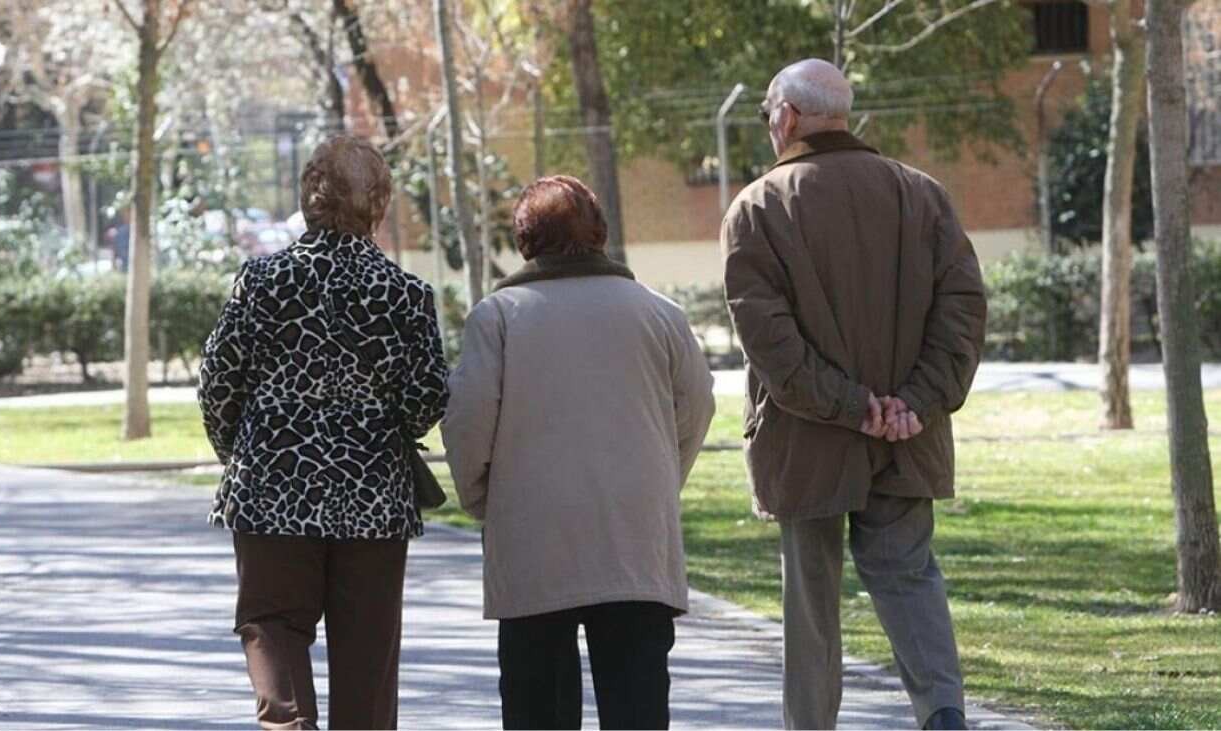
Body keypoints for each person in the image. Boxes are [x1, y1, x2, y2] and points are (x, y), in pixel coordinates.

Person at [721, 59, 987, 731]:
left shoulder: (757, 207)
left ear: (785, 116)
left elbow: (770, 340)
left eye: (766, 116)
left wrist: (850, 405)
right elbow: (962, 309)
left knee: (811, 600)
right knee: (908, 576)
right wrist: (913, 403)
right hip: (906, 432)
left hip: (807, 437)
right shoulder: (920, 193)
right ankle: (943, 713)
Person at [443, 175, 716, 730]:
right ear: (601, 234)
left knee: (537, 706)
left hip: (531, 534)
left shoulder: (497, 317)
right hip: (634, 535)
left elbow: (467, 422)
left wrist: (483, 498)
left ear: (524, 241)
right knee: (637, 704)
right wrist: (663, 477)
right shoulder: (659, 313)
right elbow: (697, 410)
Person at [198, 135, 448, 730]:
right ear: (378, 205)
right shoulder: (405, 295)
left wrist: (243, 449)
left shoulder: (261, 282)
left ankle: (289, 725)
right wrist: (380, 428)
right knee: (367, 655)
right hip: (373, 500)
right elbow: (428, 396)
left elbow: (218, 380)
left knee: (274, 626)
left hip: (272, 492)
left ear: (308, 199)